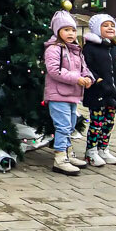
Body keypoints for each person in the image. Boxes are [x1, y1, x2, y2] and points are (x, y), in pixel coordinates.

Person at [43, 10, 95, 175]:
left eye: (73, 30)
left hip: (72, 95)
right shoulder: (54, 49)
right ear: (58, 31)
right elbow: (54, 70)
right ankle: (60, 158)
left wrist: (87, 78)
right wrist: (76, 78)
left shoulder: (75, 50)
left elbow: (83, 68)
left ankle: (68, 152)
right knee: (63, 126)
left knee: (71, 125)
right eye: (66, 30)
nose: (71, 33)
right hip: (58, 95)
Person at [82, 13, 116, 167]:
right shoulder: (90, 48)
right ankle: (91, 151)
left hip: (114, 93)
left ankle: (104, 148)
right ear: (97, 29)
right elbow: (86, 67)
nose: (110, 28)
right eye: (105, 25)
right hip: (98, 93)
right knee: (96, 122)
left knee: (109, 122)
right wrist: (98, 81)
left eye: (112, 25)